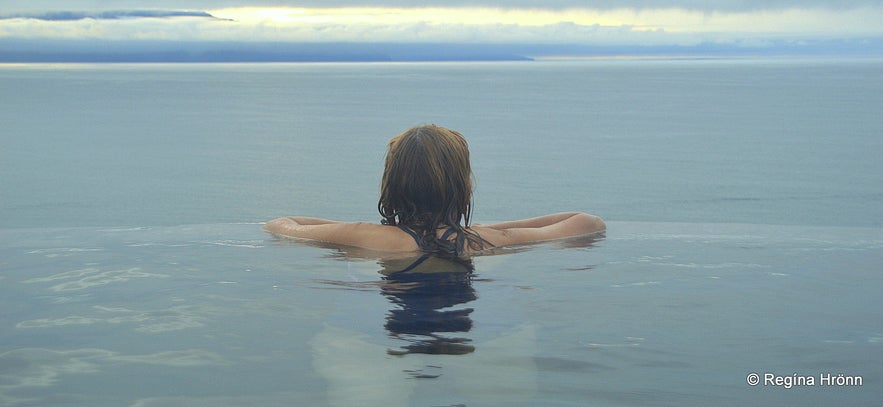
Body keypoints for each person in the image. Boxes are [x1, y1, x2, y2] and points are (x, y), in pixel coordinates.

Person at [264, 124, 605, 256]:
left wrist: (342, 228)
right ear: (465, 189)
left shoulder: (362, 236)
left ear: (391, 188)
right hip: (465, 330)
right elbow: (587, 222)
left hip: (395, 340)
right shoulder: (485, 240)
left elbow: (282, 224)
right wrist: (492, 228)